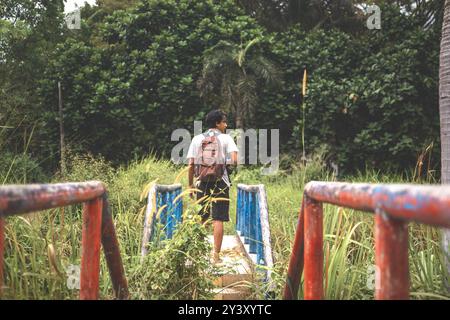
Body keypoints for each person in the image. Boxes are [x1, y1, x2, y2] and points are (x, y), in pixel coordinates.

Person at [186, 110, 238, 263]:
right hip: (220, 182)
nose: (226, 125)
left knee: (202, 217)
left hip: (201, 182)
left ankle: (197, 255)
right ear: (217, 123)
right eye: (224, 122)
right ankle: (215, 257)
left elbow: (190, 165)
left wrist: (190, 185)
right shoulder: (226, 138)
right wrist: (219, 166)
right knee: (218, 218)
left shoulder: (197, 139)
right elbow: (234, 159)